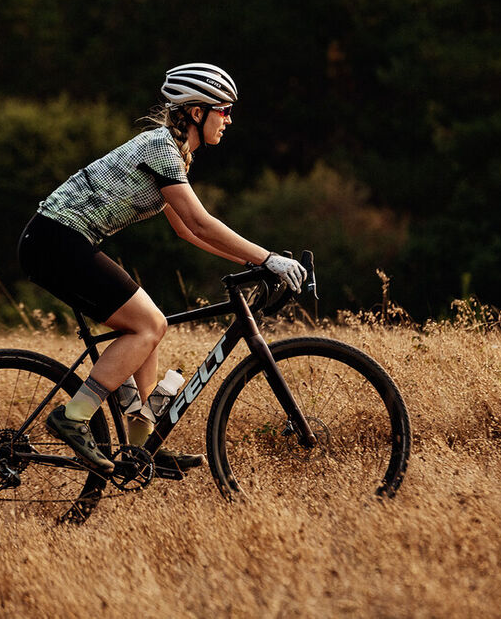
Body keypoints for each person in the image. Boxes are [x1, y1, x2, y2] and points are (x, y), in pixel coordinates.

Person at [18, 63, 307, 475]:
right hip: (55, 241)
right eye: (223, 110)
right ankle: (75, 415)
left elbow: (189, 232)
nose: (229, 118)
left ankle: (141, 448)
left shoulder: (173, 154)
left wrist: (252, 263)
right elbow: (202, 220)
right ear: (196, 112)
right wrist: (269, 259)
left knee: (147, 327)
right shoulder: (160, 149)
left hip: (61, 242)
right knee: (149, 324)